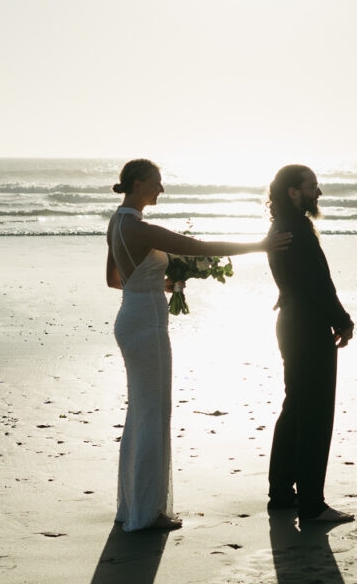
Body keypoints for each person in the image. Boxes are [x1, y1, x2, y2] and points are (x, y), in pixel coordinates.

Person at [106, 158, 290, 532]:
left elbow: (115, 280)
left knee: (140, 413)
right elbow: (197, 246)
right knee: (153, 414)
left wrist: (166, 285)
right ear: (139, 183)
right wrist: (261, 244)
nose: (161, 189)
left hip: (132, 318)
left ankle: (133, 506)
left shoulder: (117, 224)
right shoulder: (140, 228)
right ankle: (148, 513)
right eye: (157, 182)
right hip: (147, 327)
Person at [265, 164, 356, 523]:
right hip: (306, 325)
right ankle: (312, 504)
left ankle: (281, 494)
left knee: (295, 409)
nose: (318, 193)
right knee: (315, 414)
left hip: (289, 322)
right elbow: (318, 284)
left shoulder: (279, 228)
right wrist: (343, 320)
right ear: (293, 191)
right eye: (312, 186)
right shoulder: (297, 230)